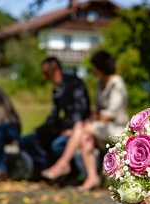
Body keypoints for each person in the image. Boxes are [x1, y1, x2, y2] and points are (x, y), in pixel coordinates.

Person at [42, 51, 129, 191]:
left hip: (117, 128)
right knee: (84, 137)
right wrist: (94, 117)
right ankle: (92, 177)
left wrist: (94, 117)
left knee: (80, 127)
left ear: (100, 66)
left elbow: (108, 115)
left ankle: (63, 163)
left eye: (94, 66)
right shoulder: (100, 85)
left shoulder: (116, 83)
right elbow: (95, 111)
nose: (92, 69)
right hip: (101, 128)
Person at [19, 57, 90, 179]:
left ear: (55, 69)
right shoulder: (57, 89)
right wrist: (43, 129)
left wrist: (70, 128)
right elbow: (54, 115)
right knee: (26, 141)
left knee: (56, 145)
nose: (44, 77)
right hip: (61, 128)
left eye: (46, 73)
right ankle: (48, 167)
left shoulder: (74, 83)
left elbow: (81, 110)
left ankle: (71, 172)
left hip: (76, 129)